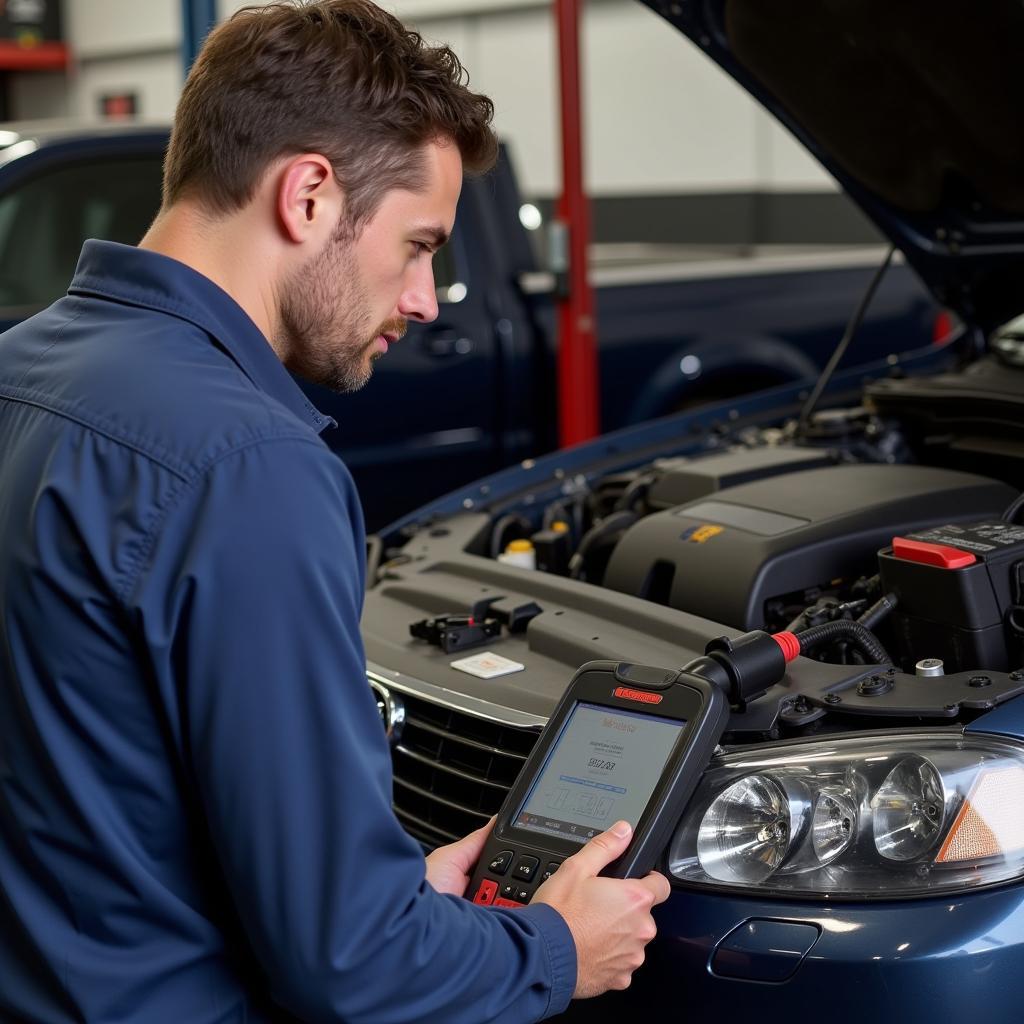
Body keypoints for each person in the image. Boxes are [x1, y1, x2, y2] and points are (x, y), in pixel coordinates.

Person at [0, 1, 670, 1021]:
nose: (427, 297)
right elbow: (350, 964)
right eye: (416, 245)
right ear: (309, 194)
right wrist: (552, 947)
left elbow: (92, 782)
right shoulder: (248, 466)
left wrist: (402, 900)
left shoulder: (18, 372)